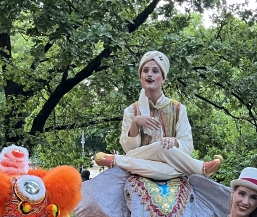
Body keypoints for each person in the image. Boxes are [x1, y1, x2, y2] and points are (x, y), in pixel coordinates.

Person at [94, 51, 223, 181]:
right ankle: (199, 168)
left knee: (162, 147)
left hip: (155, 166)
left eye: (155, 71)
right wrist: (135, 123)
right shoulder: (131, 111)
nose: (149, 74)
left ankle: (116, 161)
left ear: (163, 78)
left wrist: (174, 142)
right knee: (156, 151)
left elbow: (188, 145)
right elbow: (130, 150)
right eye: (145, 70)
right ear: (140, 76)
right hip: (140, 161)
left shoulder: (178, 108)